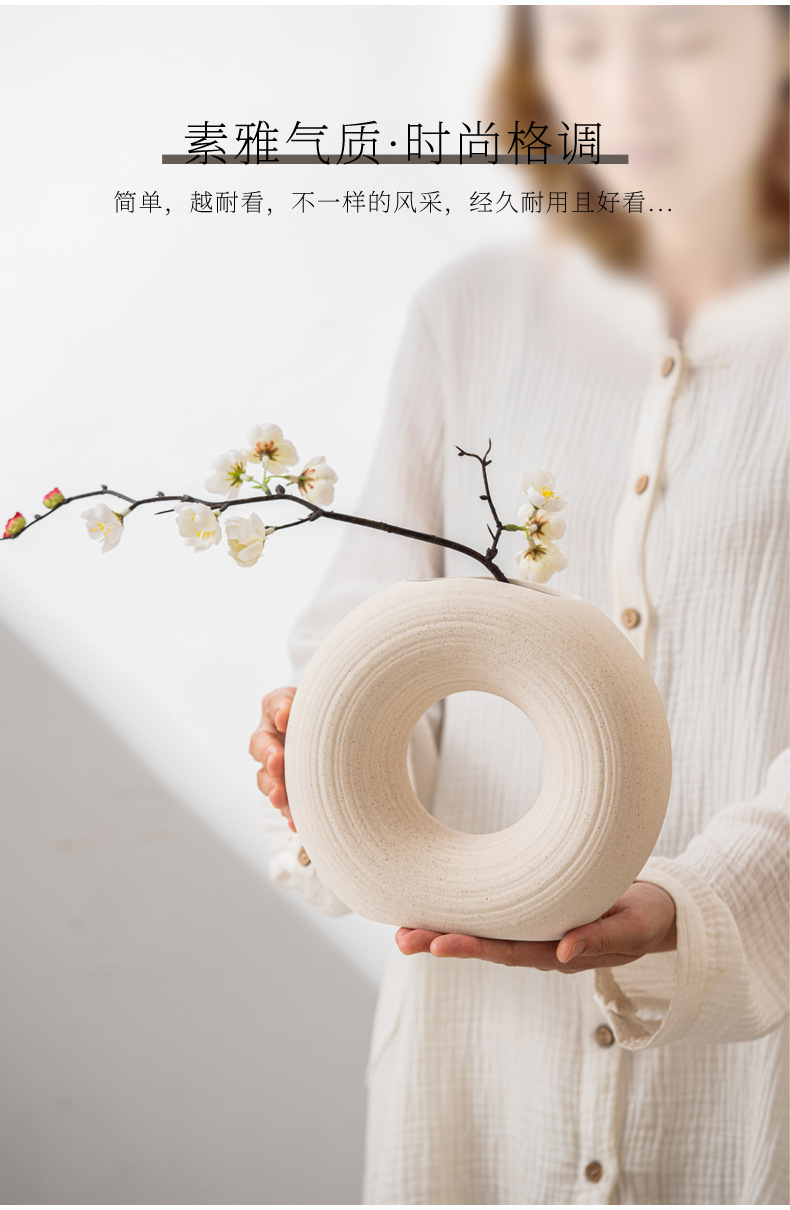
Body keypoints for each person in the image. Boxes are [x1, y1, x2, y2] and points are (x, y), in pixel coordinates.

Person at [250, 5, 789, 1203]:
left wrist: (696, 905)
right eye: (583, 44)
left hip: (752, 1078)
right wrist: (331, 755)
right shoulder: (472, 312)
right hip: (480, 1070)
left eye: (683, 39)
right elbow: (370, 623)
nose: (628, 86)